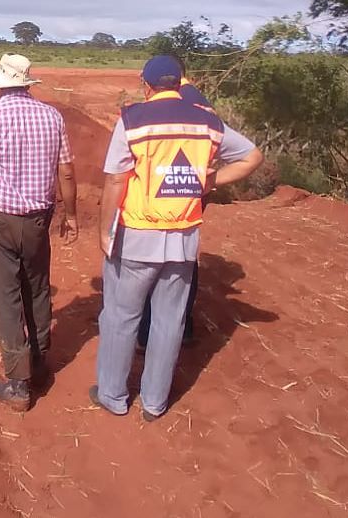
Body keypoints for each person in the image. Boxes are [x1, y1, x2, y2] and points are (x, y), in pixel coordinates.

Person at [92, 54, 264, 421]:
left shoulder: (132, 120)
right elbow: (252, 156)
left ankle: (113, 395)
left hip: (138, 234)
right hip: (183, 238)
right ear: (181, 82)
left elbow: (115, 180)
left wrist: (106, 231)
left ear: (146, 84)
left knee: (122, 317)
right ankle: (154, 402)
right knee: (170, 322)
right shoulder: (207, 121)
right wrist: (208, 181)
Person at [0, 53, 79, 412]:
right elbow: (67, 173)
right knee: (37, 288)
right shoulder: (51, 116)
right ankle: (41, 363)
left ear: (0, 84)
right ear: (27, 82)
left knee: (6, 294)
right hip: (39, 219)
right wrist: (71, 216)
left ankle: (18, 381)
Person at [136, 77, 216, 351]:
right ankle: (185, 325)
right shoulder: (201, 103)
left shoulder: (169, 100)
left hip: (161, 189)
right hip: (190, 188)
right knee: (184, 256)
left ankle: (146, 331)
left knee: (151, 260)